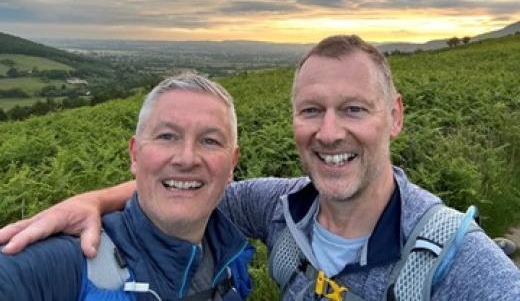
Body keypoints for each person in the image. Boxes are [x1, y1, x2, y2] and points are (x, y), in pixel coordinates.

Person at [1, 35, 519, 300]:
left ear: (395, 116)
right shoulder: (277, 207)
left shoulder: (457, 259)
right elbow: (189, 188)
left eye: (355, 109)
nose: (331, 132)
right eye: (312, 110)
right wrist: (88, 202)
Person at [0, 74, 254, 300]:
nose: (187, 159)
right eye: (167, 136)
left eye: (210, 141)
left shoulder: (231, 255)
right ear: (135, 154)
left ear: (232, 164)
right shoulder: (70, 262)